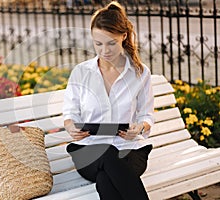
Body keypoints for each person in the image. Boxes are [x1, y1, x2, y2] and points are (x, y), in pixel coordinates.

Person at [63, 1, 154, 199]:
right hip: (88, 151)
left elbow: (147, 115)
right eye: (98, 44)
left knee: (105, 179)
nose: (105, 50)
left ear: (123, 36)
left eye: (111, 43)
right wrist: (71, 127)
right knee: (106, 153)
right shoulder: (81, 72)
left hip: (130, 151)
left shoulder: (140, 73)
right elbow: (70, 113)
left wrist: (139, 128)